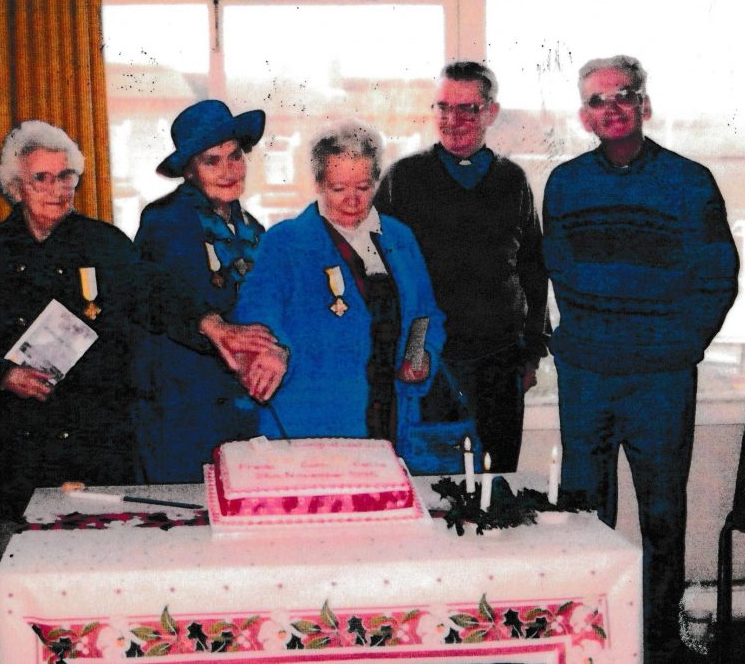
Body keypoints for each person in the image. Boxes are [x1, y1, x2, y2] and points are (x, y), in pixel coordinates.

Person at [0, 120, 273, 659]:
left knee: (100, 608)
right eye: (42, 178)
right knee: (16, 612)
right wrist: (3, 373)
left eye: (66, 176)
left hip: (92, 449)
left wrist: (212, 326)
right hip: (13, 454)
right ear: (15, 187)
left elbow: (157, 297)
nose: (57, 189)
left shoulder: (104, 243)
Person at [543, 55, 738, 664]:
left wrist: (681, 345)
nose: (612, 108)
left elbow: (719, 277)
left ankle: (656, 640)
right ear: (584, 116)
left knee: (662, 514)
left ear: (643, 104)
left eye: (624, 95)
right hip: (588, 379)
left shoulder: (690, 181)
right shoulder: (566, 183)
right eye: (598, 100)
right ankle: (589, 637)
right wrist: (582, 343)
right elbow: (558, 269)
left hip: (660, 379)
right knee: (584, 512)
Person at [374, 60, 550, 472]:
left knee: (496, 481)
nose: (453, 121)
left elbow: (533, 271)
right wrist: (406, 353)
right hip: (429, 361)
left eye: (468, 109)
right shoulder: (404, 178)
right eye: (444, 107)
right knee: (432, 481)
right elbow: (380, 274)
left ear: (490, 112)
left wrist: (531, 356)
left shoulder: (513, 181)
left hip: (500, 363)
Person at [233, 119, 446, 451]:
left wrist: (418, 356)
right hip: (309, 422)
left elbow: (423, 313)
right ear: (319, 184)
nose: (352, 200)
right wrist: (274, 350)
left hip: (390, 417)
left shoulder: (399, 237)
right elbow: (257, 309)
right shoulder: (287, 241)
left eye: (363, 187)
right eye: (338, 189)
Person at [134, 100, 267, 482]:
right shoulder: (166, 219)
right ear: (189, 170)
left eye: (235, 156)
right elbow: (156, 292)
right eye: (212, 161)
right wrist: (210, 323)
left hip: (240, 403)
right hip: (183, 406)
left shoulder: (254, 229)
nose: (229, 170)